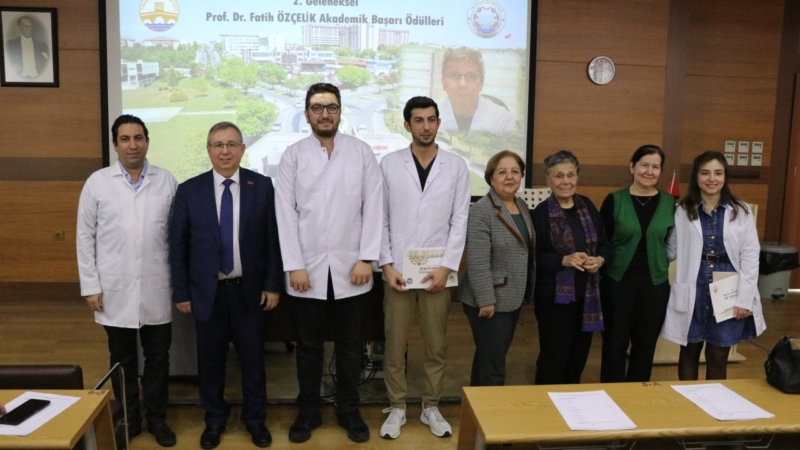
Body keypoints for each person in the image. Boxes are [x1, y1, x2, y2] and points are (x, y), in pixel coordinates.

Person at [275, 83, 382, 444]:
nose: (325, 114)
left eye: (331, 107)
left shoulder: (361, 152)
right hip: (306, 271)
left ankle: (348, 410)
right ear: (307, 114)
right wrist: (294, 264)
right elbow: (285, 214)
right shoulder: (293, 156)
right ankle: (309, 412)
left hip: (354, 269)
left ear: (340, 111)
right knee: (308, 348)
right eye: (317, 108)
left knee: (350, 347)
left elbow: (374, 207)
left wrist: (367, 257)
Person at [169, 122, 281, 449]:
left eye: (232, 144)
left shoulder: (262, 186)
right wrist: (182, 292)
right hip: (208, 293)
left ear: (242, 149)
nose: (225, 151)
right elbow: (178, 246)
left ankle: (255, 420)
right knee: (211, 363)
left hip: (250, 292)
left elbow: (274, 240)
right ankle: (215, 420)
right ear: (208, 150)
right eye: (218, 145)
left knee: (253, 361)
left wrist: (273, 285)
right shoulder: (189, 190)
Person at [76, 114, 178, 447]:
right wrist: (91, 285)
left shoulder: (166, 181)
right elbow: (84, 237)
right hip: (114, 289)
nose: (132, 145)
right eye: (125, 139)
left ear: (147, 141)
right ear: (115, 144)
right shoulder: (97, 183)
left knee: (158, 359)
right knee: (122, 361)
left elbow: (177, 237)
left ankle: (157, 419)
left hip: (156, 285)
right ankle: (129, 419)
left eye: (138, 138)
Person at [378, 96, 470, 439]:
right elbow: (380, 218)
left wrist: (447, 267)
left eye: (431, 119)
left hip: (437, 273)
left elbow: (459, 221)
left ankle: (431, 405)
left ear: (439, 122)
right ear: (407, 125)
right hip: (398, 272)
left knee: (436, 344)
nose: (426, 126)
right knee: (394, 342)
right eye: (418, 120)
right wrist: (386, 265)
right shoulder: (389, 164)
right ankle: (397, 407)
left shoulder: (456, 166)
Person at [661, 151, 765, 380]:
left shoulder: (741, 211)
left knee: (718, 354)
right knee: (689, 350)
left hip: (728, 287)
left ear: (725, 177)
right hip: (694, 285)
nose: (712, 179)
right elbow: (671, 249)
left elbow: (750, 257)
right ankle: (687, 399)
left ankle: (714, 400)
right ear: (696, 176)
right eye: (705, 173)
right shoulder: (682, 210)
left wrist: (744, 299)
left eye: (718, 173)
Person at [532, 150, 610, 385]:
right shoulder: (540, 213)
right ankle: (544, 401)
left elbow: (605, 244)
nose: (565, 181)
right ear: (548, 180)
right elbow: (534, 259)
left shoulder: (587, 205)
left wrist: (600, 260)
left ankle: (570, 400)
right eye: (558, 176)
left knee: (578, 357)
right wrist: (563, 260)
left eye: (570, 175)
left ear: (577, 177)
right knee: (553, 358)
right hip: (554, 301)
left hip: (587, 297)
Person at [599, 145, 675, 383]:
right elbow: (602, 242)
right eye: (644, 165)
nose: (649, 171)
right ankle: (612, 393)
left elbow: (672, 244)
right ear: (632, 167)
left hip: (655, 285)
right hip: (617, 283)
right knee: (614, 344)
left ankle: (636, 396)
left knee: (645, 345)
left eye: (655, 167)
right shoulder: (614, 200)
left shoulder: (670, 203)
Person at [459, 150, 534, 386]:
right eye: (502, 172)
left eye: (515, 171)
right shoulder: (481, 210)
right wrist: (486, 301)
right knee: (494, 367)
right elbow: (477, 261)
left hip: (512, 297)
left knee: (488, 357)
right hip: (489, 301)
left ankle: (475, 405)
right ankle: (490, 409)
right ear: (491, 178)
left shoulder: (521, 206)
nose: (509, 177)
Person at [438, 47, 515, 133]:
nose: (462, 84)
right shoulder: (429, 115)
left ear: (481, 82)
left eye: (470, 76)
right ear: (443, 82)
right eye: (454, 76)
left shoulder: (503, 121)